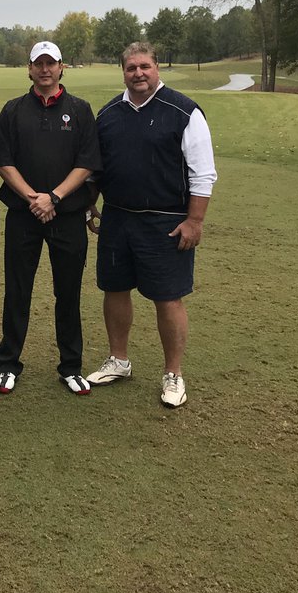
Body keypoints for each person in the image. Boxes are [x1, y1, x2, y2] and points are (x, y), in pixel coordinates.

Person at [86, 41, 217, 407]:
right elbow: (97, 169)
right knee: (114, 289)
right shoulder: (109, 113)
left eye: (145, 66)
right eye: (131, 68)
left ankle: (173, 373)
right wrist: (90, 206)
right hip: (117, 217)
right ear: (123, 72)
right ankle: (119, 360)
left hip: (167, 222)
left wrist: (195, 220)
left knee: (167, 298)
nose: (138, 73)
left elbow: (203, 174)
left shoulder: (184, 111)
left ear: (156, 68)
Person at [0, 41, 101, 395]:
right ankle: (9, 364)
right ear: (30, 68)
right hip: (23, 215)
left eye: (51, 63)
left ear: (61, 67)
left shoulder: (80, 110)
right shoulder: (13, 110)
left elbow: (86, 163)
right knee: (17, 291)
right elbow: (4, 162)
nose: (45, 69)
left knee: (67, 292)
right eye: (38, 63)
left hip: (66, 215)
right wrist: (34, 198)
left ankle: (70, 366)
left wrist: (54, 197)